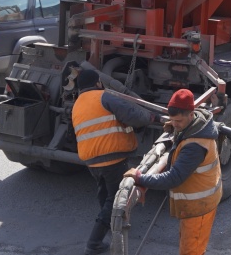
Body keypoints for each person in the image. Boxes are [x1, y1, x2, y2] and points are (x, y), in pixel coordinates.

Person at [124, 89, 221, 255]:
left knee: (191, 252)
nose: (175, 124)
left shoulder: (195, 146)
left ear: (191, 114)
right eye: (172, 120)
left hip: (199, 207)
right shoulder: (194, 125)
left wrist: (141, 178)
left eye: (179, 121)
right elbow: (181, 129)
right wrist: (177, 129)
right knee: (191, 249)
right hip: (196, 204)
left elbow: (173, 178)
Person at [71, 69, 158, 255]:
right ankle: (94, 243)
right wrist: (152, 117)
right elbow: (132, 113)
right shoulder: (104, 97)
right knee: (114, 200)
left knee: (105, 193)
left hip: (91, 160)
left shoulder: (77, 104)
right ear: (97, 83)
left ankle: (112, 225)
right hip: (112, 157)